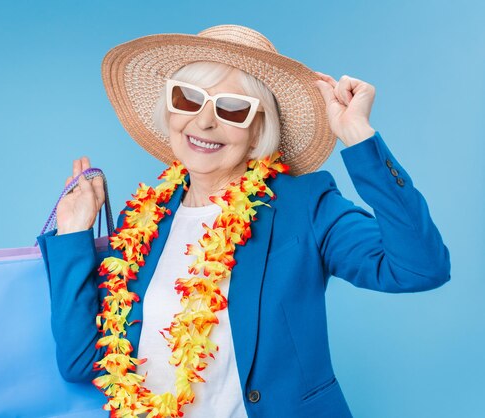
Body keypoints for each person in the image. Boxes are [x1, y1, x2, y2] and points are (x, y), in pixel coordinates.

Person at [36, 25, 451, 418]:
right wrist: (74, 233)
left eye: (232, 108)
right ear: (171, 110)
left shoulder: (305, 205)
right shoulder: (144, 220)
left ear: (258, 130)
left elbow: (420, 268)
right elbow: (82, 362)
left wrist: (359, 137)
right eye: (189, 98)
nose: (204, 121)